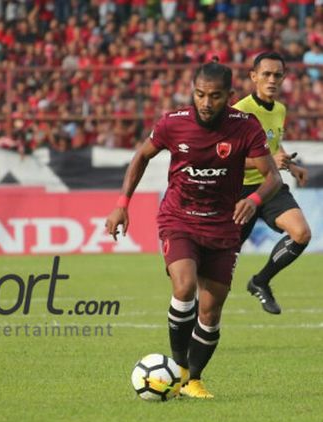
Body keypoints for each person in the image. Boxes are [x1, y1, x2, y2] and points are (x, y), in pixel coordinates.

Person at [105, 62, 282, 399]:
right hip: (179, 218)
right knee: (184, 286)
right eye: (200, 94)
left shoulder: (246, 127)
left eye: (214, 97)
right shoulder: (173, 123)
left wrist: (256, 199)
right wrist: (122, 203)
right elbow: (141, 156)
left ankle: (193, 379)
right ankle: (177, 366)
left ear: (229, 97)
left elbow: (272, 176)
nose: (205, 102)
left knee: (211, 312)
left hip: (223, 225)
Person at [233, 51, 311, 315]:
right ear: (253, 77)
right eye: (266, 74)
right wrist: (265, 161)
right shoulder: (239, 113)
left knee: (301, 233)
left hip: (270, 185)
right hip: (238, 192)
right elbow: (225, 159)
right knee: (221, 265)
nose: (272, 79)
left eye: (277, 75)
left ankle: (260, 281)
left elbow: (272, 147)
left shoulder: (280, 109)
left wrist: (291, 165)